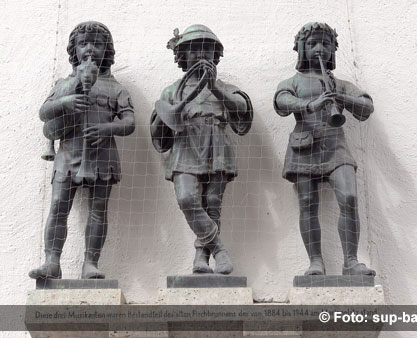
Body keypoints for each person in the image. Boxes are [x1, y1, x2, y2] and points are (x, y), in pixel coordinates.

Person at [29, 21, 135, 280]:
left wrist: (107, 128)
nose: (90, 49)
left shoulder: (115, 87)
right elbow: (44, 112)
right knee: (57, 205)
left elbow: (129, 122)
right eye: (83, 43)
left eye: (97, 44)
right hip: (69, 153)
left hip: (102, 155)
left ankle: (90, 263)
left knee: (98, 209)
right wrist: (65, 100)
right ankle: (52, 260)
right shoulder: (64, 83)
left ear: (107, 51)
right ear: (74, 50)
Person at [273, 22, 375, 276]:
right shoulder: (293, 81)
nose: (320, 48)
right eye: (313, 43)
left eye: (326, 44)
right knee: (308, 203)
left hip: (336, 147)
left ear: (333, 50)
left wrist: (341, 99)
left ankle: (350, 261)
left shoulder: (337, 83)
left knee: (349, 198)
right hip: (304, 146)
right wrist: (311, 104)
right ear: (301, 49)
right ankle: (315, 261)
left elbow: (366, 107)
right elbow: (281, 101)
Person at [151, 25, 253, 274]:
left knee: (212, 203)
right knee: (187, 198)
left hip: (217, 147)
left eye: (207, 49)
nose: (202, 54)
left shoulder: (224, 86)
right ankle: (219, 250)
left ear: (215, 56)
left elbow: (242, 108)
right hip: (186, 147)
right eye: (195, 50)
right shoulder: (173, 90)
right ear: (183, 55)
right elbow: (160, 129)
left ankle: (201, 259)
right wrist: (164, 118)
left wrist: (215, 86)